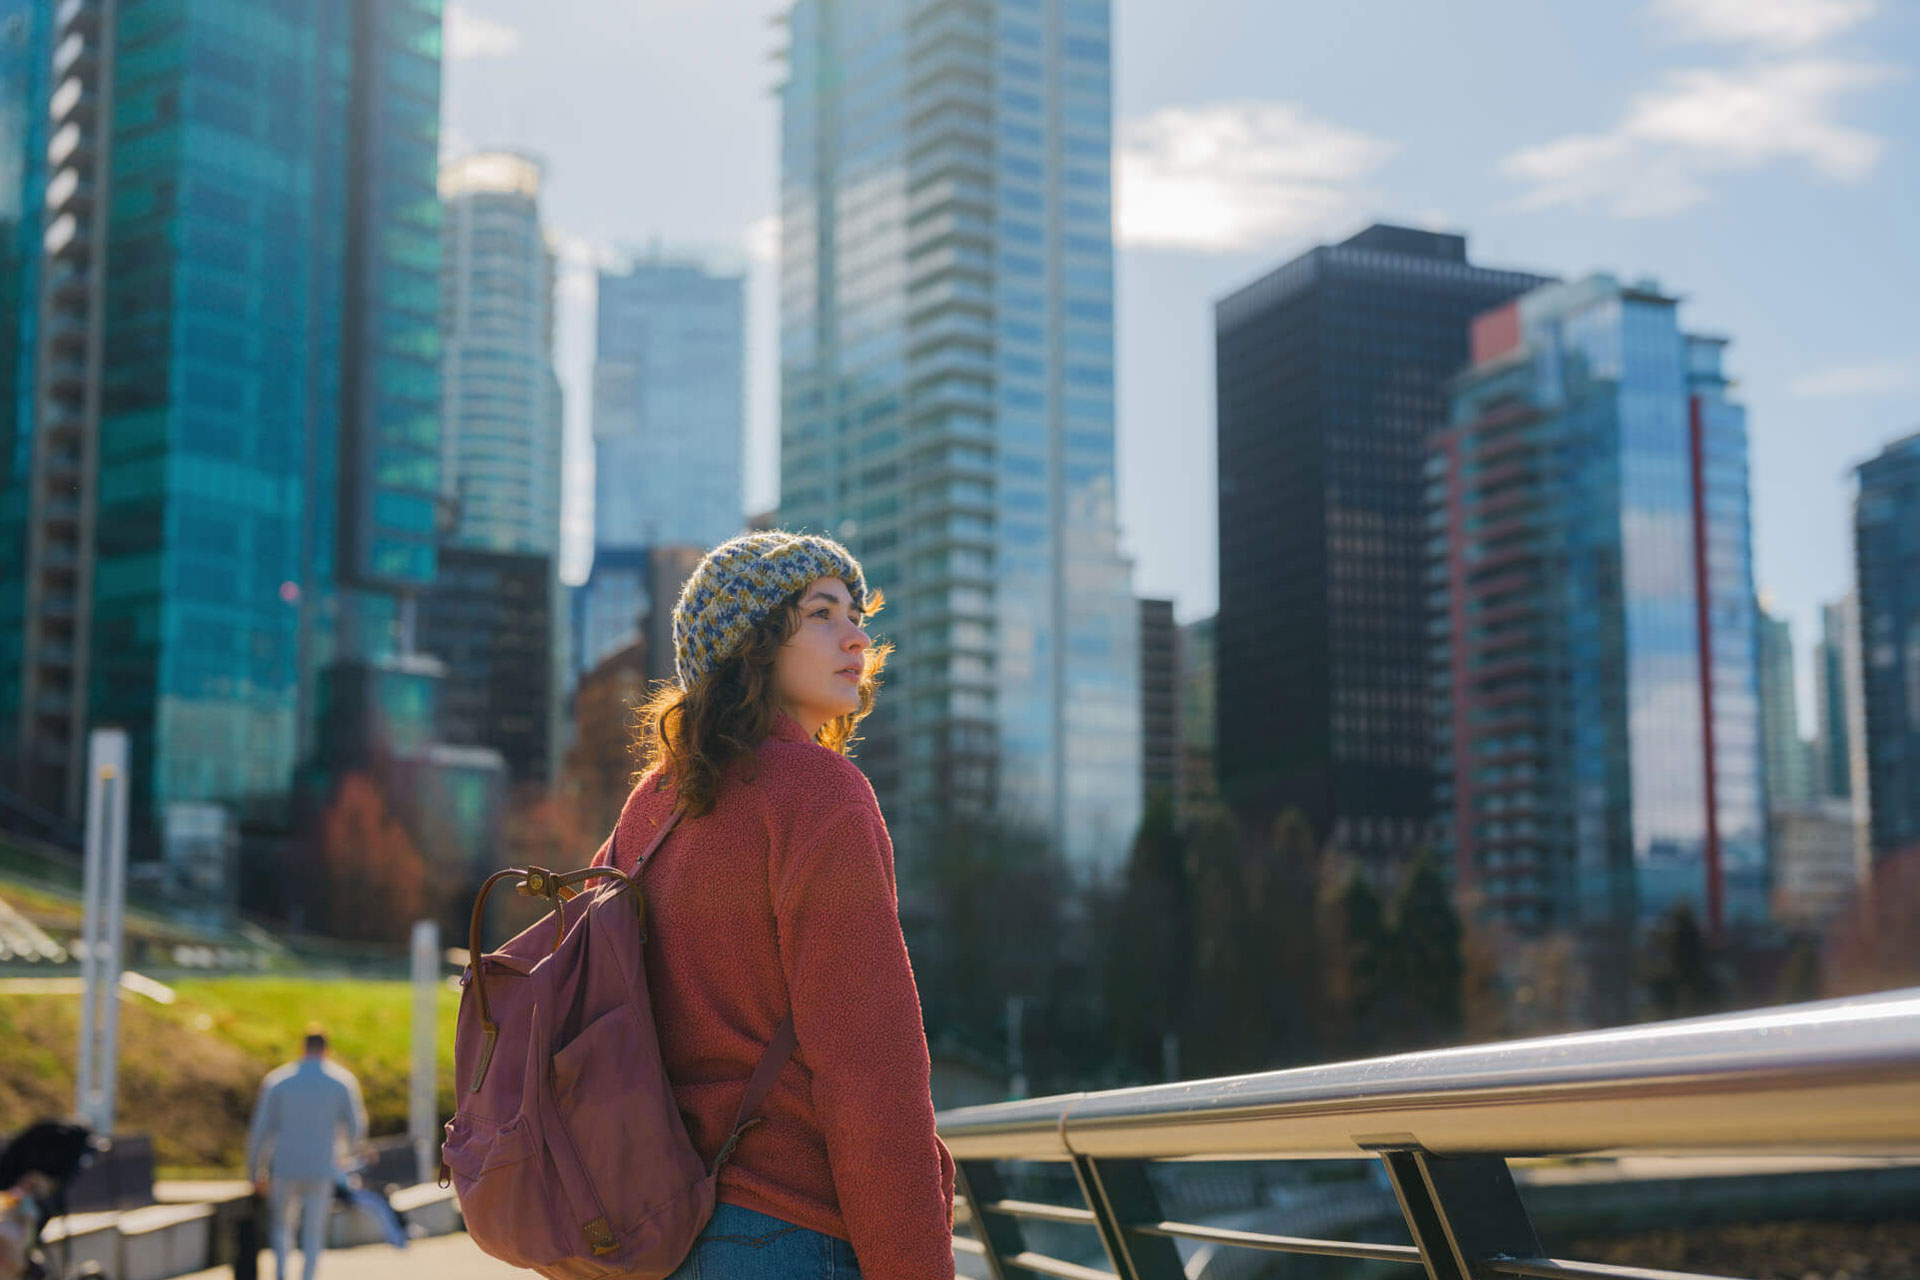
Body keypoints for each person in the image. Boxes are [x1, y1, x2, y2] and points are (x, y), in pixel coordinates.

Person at [599, 530, 955, 1280]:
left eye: (857, 613)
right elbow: (869, 1064)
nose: (857, 634)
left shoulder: (652, 806)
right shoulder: (821, 794)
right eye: (822, 612)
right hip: (791, 1234)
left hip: (663, 1232)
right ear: (751, 643)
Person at [245, 1028, 368, 1280]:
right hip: (322, 1165)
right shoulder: (341, 1081)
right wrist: (346, 1155)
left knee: (281, 1227)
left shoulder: (278, 1080)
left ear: (302, 1048)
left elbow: (260, 1129)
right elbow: (357, 1126)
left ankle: (280, 1274)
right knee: (314, 1231)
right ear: (327, 1050)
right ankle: (308, 1276)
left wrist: (254, 1169)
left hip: (284, 1165)